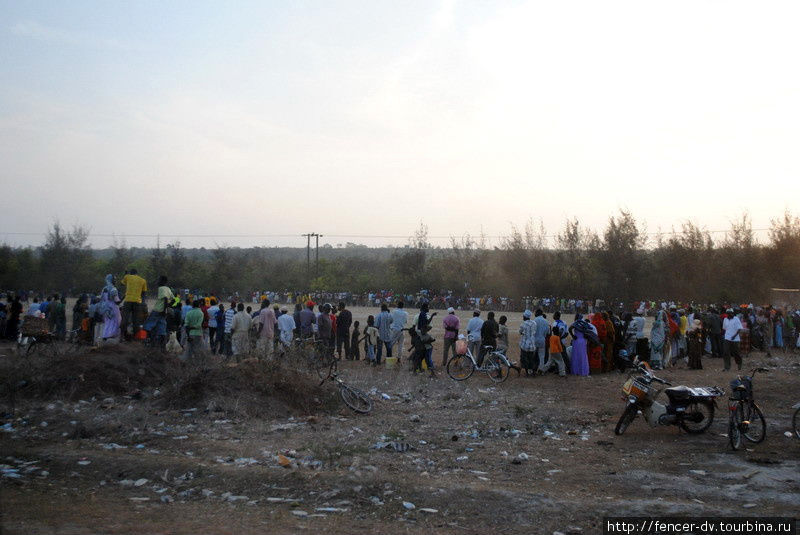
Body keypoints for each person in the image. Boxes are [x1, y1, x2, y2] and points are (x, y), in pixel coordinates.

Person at [120, 269, 147, 340]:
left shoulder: (127, 277)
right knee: (136, 321)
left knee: (125, 319)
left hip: (128, 300)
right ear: (137, 273)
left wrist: (125, 275)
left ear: (130, 273)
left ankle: (122, 336)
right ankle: (135, 338)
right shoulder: (143, 280)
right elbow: (144, 293)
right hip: (137, 302)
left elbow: (122, 284)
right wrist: (143, 302)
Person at [519, 310, 536, 375]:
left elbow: (520, 332)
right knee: (531, 359)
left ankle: (527, 373)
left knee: (524, 359)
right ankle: (532, 372)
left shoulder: (523, 324)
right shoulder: (534, 323)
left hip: (525, 344)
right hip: (532, 344)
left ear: (525, 317)